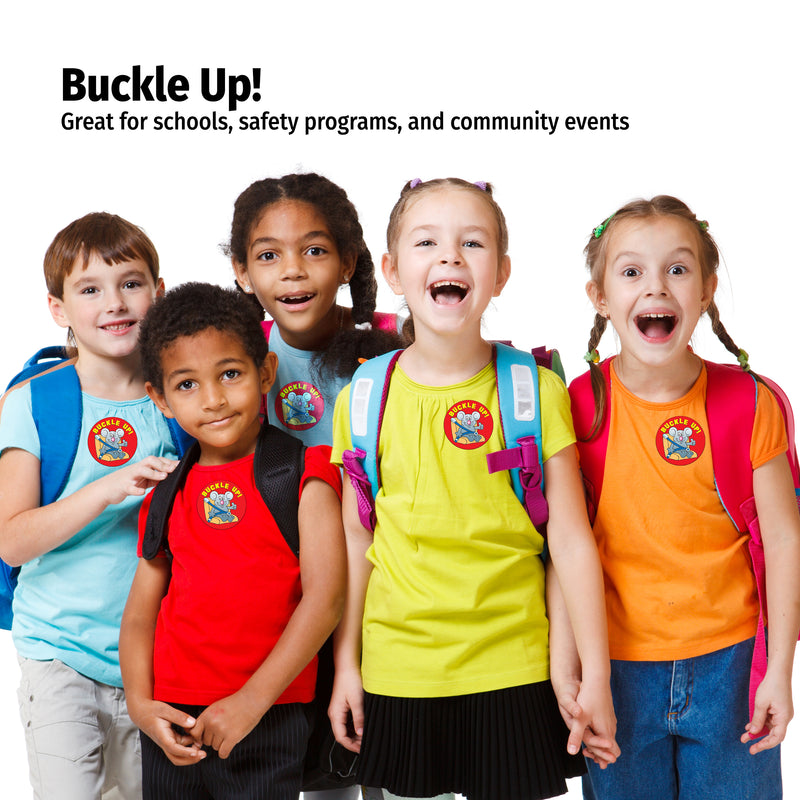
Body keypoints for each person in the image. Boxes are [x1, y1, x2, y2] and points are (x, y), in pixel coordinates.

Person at [329, 178, 618, 800]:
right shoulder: (362, 401)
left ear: (502, 272)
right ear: (393, 270)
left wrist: (593, 670)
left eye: (473, 242)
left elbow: (568, 542)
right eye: (426, 241)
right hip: (400, 673)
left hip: (514, 665)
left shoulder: (533, 392)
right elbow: (357, 542)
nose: (450, 257)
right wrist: (345, 665)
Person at [567, 195, 800, 799]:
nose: (656, 288)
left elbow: (784, 538)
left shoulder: (751, 401)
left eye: (677, 268)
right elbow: (560, 546)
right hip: (616, 670)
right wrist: (574, 668)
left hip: (731, 667)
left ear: (706, 290)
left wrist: (780, 670)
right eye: (630, 272)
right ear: (600, 296)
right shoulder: (577, 404)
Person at [120, 282, 346, 800]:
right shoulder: (167, 494)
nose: (214, 399)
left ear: (264, 372)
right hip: (170, 718)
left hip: (267, 712)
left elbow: (326, 599)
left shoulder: (303, 474)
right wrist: (140, 704)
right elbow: (138, 616)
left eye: (230, 374)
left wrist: (250, 702)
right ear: (159, 398)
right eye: (187, 385)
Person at [0, 212, 179, 799]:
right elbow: (12, 539)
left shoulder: (181, 400)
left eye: (131, 282)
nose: (115, 302)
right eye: (90, 289)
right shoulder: (34, 402)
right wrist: (109, 487)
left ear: (158, 291)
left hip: (152, 661)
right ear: (58, 309)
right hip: (58, 653)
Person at [226, 172, 406, 448]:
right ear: (242, 273)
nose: (293, 271)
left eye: (314, 251)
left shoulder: (402, 338)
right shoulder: (238, 352)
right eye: (269, 255)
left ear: (347, 263)